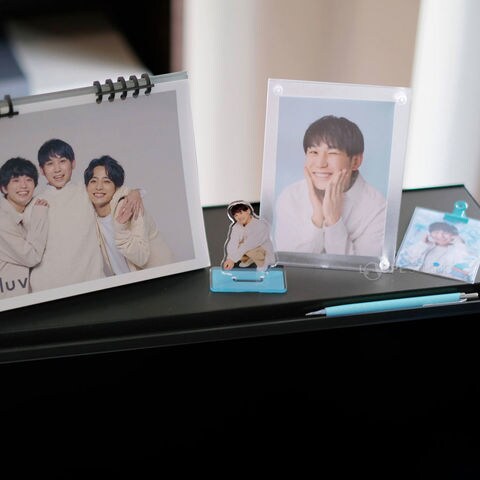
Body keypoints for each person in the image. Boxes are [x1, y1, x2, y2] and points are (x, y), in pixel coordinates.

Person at [30, 139, 143, 291]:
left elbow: (116, 192)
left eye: (62, 161)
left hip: (90, 282)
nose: (57, 169)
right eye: (50, 164)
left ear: (73, 163)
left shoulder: (86, 192)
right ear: (42, 170)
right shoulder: (35, 203)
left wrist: (135, 192)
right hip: (49, 286)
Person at [274, 115, 386, 257]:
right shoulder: (290, 196)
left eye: (332, 153)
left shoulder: (377, 207)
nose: (321, 163)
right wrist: (317, 217)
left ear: (355, 162)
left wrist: (334, 221)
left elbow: (364, 268)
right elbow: (288, 262)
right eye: (314, 152)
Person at [84, 155, 173, 275]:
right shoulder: (92, 214)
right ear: (87, 186)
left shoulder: (130, 206)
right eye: (93, 181)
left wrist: (121, 230)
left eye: (106, 181)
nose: (99, 187)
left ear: (116, 187)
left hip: (161, 276)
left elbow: (141, 258)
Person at [0, 157, 48, 298]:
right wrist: (40, 215)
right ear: (4, 188)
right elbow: (32, 257)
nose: (23, 186)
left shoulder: (23, 213)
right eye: (16, 180)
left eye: (28, 179)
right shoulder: (2, 221)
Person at [405, 221, 471, 278]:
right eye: (436, 232)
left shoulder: (455, 250)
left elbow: (463, 260)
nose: (440, 236)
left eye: (445, 233)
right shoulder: (426, 246)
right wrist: (423, 244)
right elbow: (410, 257)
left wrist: (460, 242)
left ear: (453, 236)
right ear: (430, 234)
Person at [222, 201, 275, 272]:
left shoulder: (259, 225)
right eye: (236, 215)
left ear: (248, 211)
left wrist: (233, 259)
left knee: (247, 247)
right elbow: (232, 242)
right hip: (249, 248)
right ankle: (248, 259)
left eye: (241, 213)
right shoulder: (237, 226)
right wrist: (229, 258)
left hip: (264, 251)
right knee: (238, 245)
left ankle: (263, 263)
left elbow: (249, 244)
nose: (239, 217)